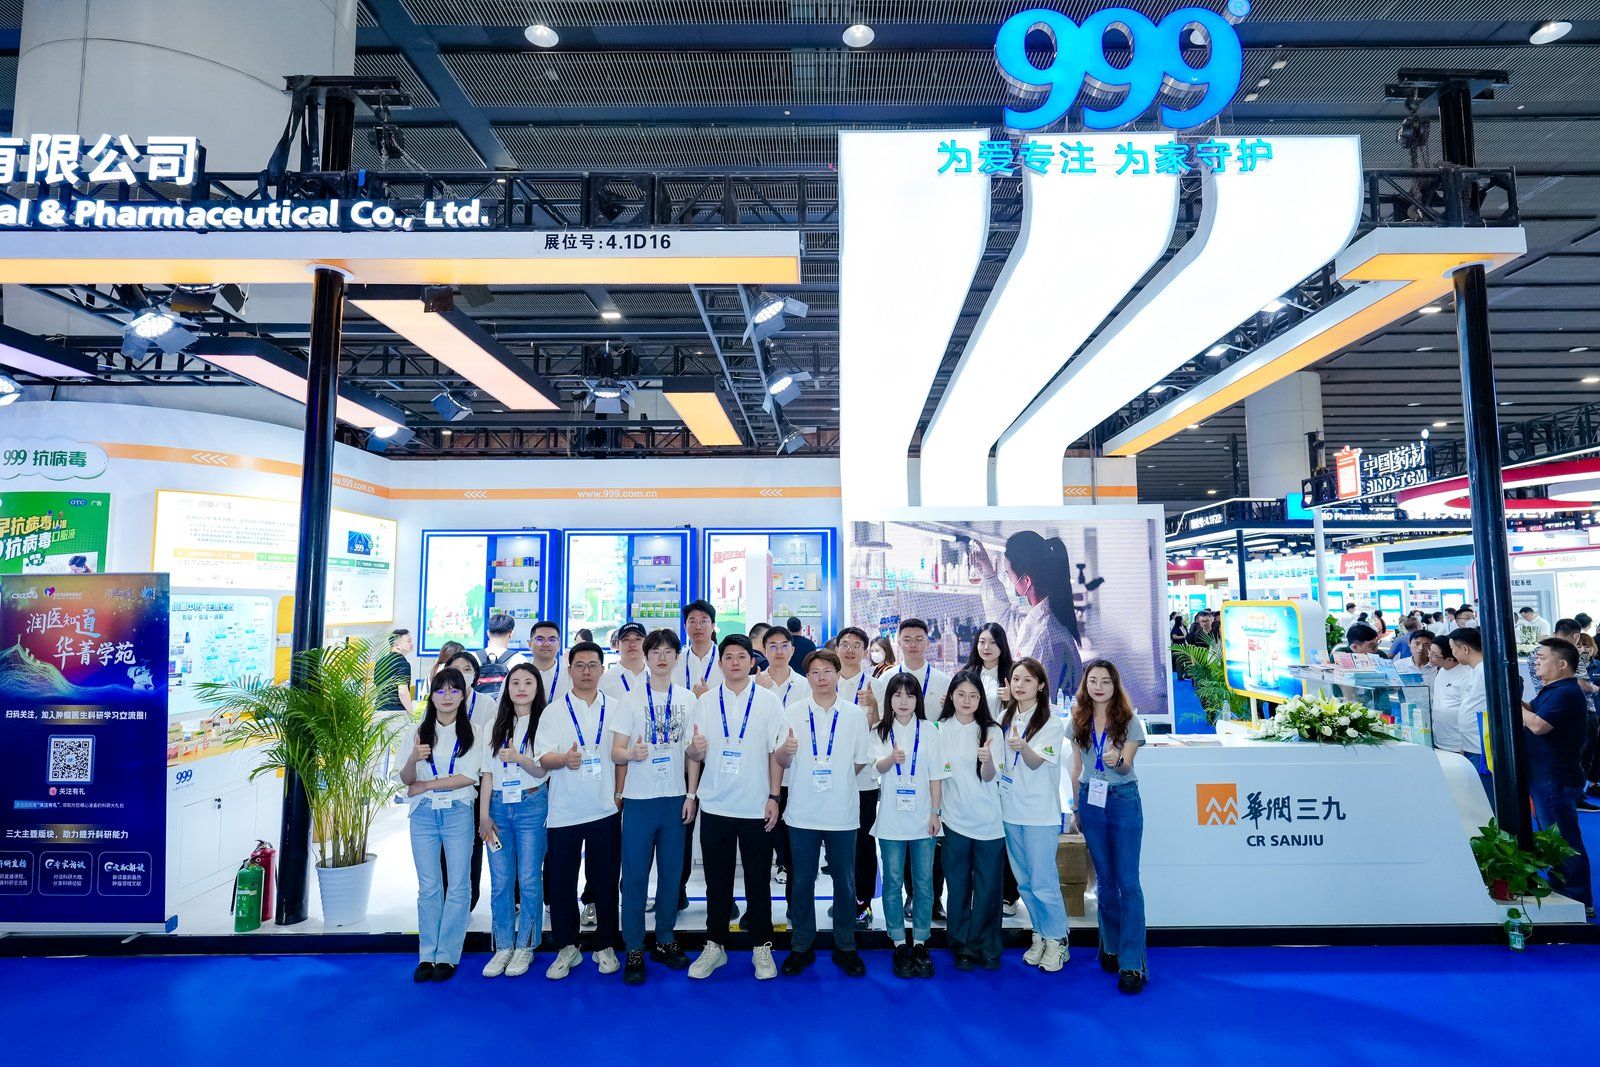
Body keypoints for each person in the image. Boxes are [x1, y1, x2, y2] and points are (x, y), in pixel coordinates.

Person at [686, 634, 785, 980]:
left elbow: (775, 752)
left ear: (752, 662)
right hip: (716, 805)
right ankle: (715, 945)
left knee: (758, 881)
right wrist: (692, 788)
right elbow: (693, 753)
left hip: (756, 806)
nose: (735, 663)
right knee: (717, 883)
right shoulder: (705, 701)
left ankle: (762, 946)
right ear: (720, 663)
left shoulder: (769, 701)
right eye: (728, 657)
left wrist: (774, 797)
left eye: (741, 656)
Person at [776, 649, 872, 977]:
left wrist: (835, 779)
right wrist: (786, 751)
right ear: (808, 677)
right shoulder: (793, 711)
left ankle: (845, 945)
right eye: (814, 672)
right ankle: (802, 945)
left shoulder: (854, 715)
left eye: (827, 671)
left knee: (844, 883)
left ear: (837, 674)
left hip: (841, 813)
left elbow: (859, 761)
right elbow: (781, 760)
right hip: (802, 812)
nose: (821, 678)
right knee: (802, 881)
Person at [610, 628, 695, 984]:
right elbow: (616, 752)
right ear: (646, 657)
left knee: (672, 874)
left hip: (675, 798)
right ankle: (633, 946)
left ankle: (664, 938)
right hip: (639, 800)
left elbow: (692, 752)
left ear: (676, 657)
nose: (661, 657)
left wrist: (691, 794)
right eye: (655, 651)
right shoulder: (629, 700)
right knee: (634, 876)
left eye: (668, 651)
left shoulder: (688, 699)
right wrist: (631, 753)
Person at [535, 641, 623, 979]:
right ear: (570, 669)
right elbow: (543, 758)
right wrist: (564, 759)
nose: (586, 671)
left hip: (604, 809)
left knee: (605, 881)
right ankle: (567, 947)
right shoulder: (554, 711)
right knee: (561, 883)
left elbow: (622, 755)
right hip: (564, 811)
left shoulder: (616, 708)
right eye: (580, 665)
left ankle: (604, 944)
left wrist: (618, 795)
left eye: (592, 665)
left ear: (602, 669)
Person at [1069, 659, 1148, 994]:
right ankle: (1111, 946)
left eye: (1105, 681)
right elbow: (1076, 768)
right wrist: (1076, 807)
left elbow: (1126, 766)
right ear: (1085, 685)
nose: (1098, 687)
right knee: (1104, 882)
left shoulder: (1128, 721)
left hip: (1123, 800)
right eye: (1093, 681)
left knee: (1128, 883)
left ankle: (1132, 962)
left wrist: (1119, 760)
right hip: (1091, 801)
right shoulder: (1078, 718)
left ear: (1115, 685)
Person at [401, 667, 483, 982]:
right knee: (429, 886)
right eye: (440, 690)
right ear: (431, 695)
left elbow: (468, 777)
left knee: (459, 884)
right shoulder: (416, 731)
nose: (447, 696)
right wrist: (413, 759)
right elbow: (406, 780)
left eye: (454, 690)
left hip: (458, 811)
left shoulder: (474, 731)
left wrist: (427, 785)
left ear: (463, 695)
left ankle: (447, 955)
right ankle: (427, 954)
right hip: (423, 814)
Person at [871, 672, 947, 978]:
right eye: (897, 695)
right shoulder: (880, 730)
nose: (903, 701)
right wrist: (890, 759)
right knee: (892, 882)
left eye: (910, 695)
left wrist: (935, 812)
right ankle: (899, 942)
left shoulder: (929, 730)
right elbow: (875, 767)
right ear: (889, 698)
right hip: (891, 819)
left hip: (923, 819)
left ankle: (920, 942)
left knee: (924, 883)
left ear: (918, 700)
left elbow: (936, 775)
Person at [478, 663, 550, 979]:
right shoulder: (494, 725)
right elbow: (487, 774)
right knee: (501, 881)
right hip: (497, 807)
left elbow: (542, 771)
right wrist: (483, 816)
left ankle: (526, 946)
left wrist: (520, 758)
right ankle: (503, 945)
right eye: (515, 682)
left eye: (528, 682)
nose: (521, 688)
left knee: (530, 878)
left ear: (537, 688)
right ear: (507, 688)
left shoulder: (545, 722)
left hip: (532, 804)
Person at [1000, 657, 1069, 972]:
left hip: (1039, 815)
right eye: (1016, 679)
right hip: (1010, 811)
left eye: (1028, 680)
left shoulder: (1052, 722)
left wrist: (1022, 746)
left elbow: (1034, 762)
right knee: (1025, 883)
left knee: (1044, 881)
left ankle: (1058, 940)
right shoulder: (1003, 717)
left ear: (1041, 685)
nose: (1020, 685)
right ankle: (1040, 933)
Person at [937, 669, 1005, 970]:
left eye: (974, 696)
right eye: (961, 694)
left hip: (989, 821)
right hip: (954, 820)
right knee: (958, 885)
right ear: (951, 696)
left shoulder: (992, 731)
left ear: (981, 699)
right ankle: (961, 944)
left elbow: (990, 777)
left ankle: (987, 944)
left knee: (989, 887)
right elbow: (936, 775)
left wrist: (987, 761)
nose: (967, 700)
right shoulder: (939, 729)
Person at [1522, 639, 1594, 915]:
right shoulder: (1554, 690)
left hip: (1555, 776)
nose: (1536, 662)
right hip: (1547, 774)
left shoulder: (1565, 692)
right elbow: (1533, 711)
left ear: (1562, 663)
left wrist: (1511, 704)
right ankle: (1565, 890)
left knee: (1562, 838)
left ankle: (1577, 898)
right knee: (1554, 836)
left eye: (1542, 658)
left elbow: (1538, 725)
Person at [972, 532, 1083, 703]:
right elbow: (1005, 620)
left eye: (1009, 575)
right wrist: (988, 575)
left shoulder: (1044, 635)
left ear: (1026, 580)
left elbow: (1032, 703)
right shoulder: (1043, 618)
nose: (1010, 581)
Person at [834, 625, 880, 926]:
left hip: (864, 778)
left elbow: (883, 725)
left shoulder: (876, 684)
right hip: (830, 777)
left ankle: (863, 901)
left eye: (856, 645)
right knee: (836, 842)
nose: (850, 649)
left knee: (863, 841)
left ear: (865, 652)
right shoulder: (826, 680)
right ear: (837, 648)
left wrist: (874, 707)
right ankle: (842, 898)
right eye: (845, 644)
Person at [757, 624, 804, 883]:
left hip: (795, 770)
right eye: (772, 646)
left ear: (792, 650)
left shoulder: (805, 685)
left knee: (791, 829)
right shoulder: (754, 684)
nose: (778, 651)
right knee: (766, 828)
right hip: (762, 771)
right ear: (764, 650)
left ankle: (788, 867)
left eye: (784, 646)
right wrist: (760, 690)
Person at [1429, 637, 1475, 755]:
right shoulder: (1442, 670)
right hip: (1440, 739)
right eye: (1430, 652)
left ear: (1449, 658)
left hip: (1458, 744)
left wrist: (1464, 746)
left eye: (1434, 655)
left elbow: (1469, 711)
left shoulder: (1467, 674)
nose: (1429, 656)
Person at [476, 613, 529, 700]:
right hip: (505, 706)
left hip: (477, 706)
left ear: (488, 633)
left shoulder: (473, 658)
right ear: (511, 634)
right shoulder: (519, 660)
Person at [966, 621, 1015, 710]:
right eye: (982, 642)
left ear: (1002, 644)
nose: (986, 647)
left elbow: (1031, 707)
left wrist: (1013, 698)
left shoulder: (1015, 673)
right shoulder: (967, 674)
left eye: (993, 642)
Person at [681, 599, 723, 696]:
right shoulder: (677, 661)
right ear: (685, 626)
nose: (698, 627)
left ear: (713, 626)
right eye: (692, 621)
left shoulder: (725, 659)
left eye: (703, 621)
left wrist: (707, 697)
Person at [527, 620, 572, 704]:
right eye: (540, 639)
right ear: (529, 644)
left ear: (559, 645)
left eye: (552, 640)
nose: (546, 644)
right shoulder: (516, 675)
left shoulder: (570, 676)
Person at [601, 622, 649, 699]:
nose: (632, 644)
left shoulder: (655, 676)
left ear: (646, 643)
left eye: (638, 639)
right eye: (626, 639)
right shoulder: (604, 680)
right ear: (617, 645)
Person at [377, 628, 415, 713]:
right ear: (397, 644)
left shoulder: (380, 662)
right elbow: (402, 691)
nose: (412, 644)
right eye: (409, 641)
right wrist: (411, 712)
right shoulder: (402, 662)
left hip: (379, 710)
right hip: (396, 711)